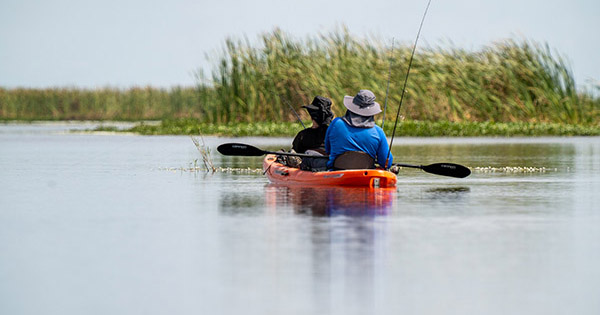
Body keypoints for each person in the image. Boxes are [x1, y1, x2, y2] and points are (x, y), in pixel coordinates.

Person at [324, 89, 393, 170]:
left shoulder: (336, 123)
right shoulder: (378, 132)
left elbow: (327, 149)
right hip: (366, 175)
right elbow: (386, 163)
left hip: (336, 171)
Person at [285, 96, 333, 171]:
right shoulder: (333, 133)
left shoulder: (303, 135)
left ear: (311, 116)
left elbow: (295, 152)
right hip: (329, 166)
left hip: (310, 169)